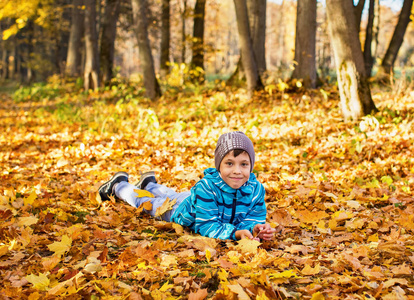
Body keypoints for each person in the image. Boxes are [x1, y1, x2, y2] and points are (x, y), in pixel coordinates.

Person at [98, 131, 276, 241]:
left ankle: (149, 184)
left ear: (251, 166)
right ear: (218, 166)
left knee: (172, 194)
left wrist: (255, 228)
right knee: (147, 203)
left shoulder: (255, 189)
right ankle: (119, 186)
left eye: (244, 164)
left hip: (190, 198)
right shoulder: (206, 187)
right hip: (180, 210)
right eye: (229, 163)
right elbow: (207, 226)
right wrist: (236, 234)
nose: (237, 171)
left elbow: (254, 216)